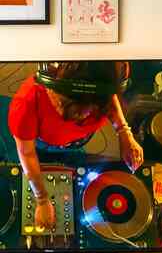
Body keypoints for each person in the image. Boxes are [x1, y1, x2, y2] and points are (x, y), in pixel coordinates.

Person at [8, 61, 143, 232]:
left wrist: (124, 133)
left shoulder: (100, 81)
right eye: (65, 104)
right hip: (46, 143)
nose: (85, 116)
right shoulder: (25, 105)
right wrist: (41, 199)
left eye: (92, 107)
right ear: (52, 85)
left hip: (78, 141)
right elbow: (27, 153)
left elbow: (109, 97)